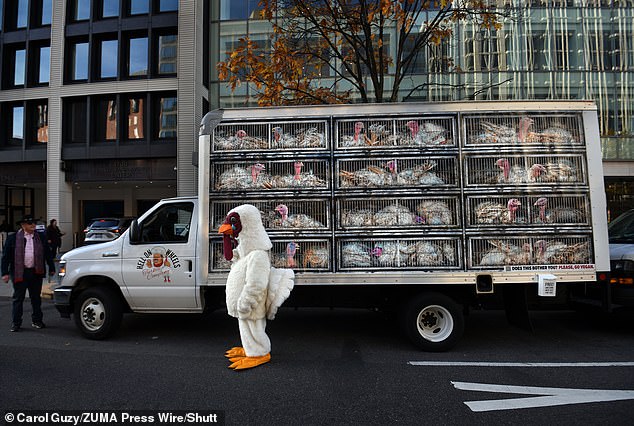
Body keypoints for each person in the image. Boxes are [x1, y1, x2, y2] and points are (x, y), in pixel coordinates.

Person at [1, 215, 56, 332]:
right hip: (19, 273)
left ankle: (37, 320)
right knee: (18, 298)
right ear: (23, 225)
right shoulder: (13, 238)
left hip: (36, 272)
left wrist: (51, 267)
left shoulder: (40, 237)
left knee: (36, 298)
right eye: (30, 223)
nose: (33, 225)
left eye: (34, 223)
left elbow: (47, 254)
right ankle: (16, 323)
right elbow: (5, 257)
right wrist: (4, 273)